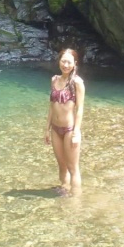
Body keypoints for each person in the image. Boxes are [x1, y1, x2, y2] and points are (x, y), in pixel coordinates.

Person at [44, 48, 85, 195]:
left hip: (69, 130)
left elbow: (80, 109)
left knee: (73, 168)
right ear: (59, 61)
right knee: (61, 165)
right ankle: (65, 191)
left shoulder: (77, 83)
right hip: (55, 129)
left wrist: (76, 132)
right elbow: (51, 106)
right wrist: (46, 129)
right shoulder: (54, 80)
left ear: (74, 63)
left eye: (69, 62)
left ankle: (76, 200)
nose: (65, 65)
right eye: (63, 61)